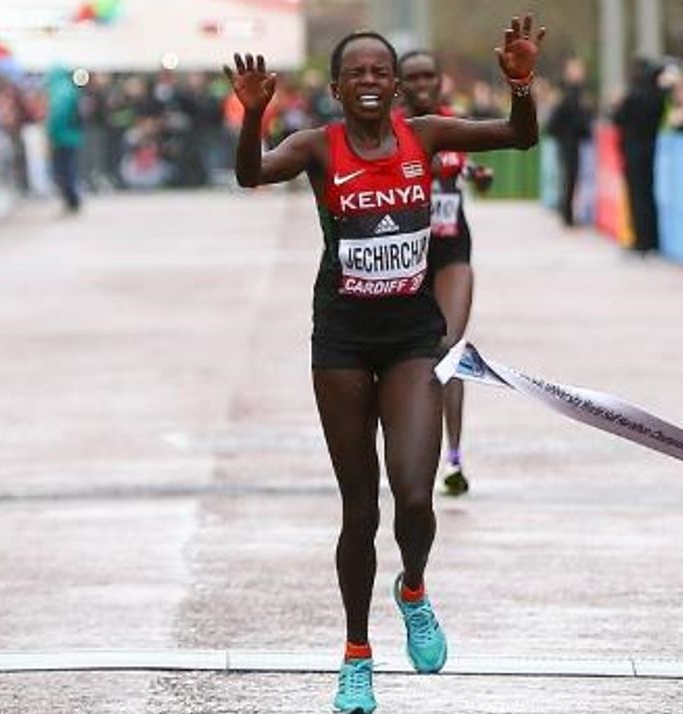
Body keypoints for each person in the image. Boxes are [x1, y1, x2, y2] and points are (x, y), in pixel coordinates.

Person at [226, 15, 543, 712]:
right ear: (337, 87)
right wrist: (254, 117)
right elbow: (251, 174)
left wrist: (520, 85)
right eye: (356, 73)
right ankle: (356, 655)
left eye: (380, 71)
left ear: (396, 86)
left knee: (416, 498)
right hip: (340, 339)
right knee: (358, 509)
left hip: (408, 338)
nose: (369, 80)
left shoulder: (423, 135)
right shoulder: (316, 146)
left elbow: (520, 137)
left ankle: (414, 588)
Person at [396, 49, 494, 498]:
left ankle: (453, 460)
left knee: (449, 348)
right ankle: (410, 451)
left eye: (427, 76)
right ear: (399, 84)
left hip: (451, 248)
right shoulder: (388, 130)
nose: (420, 85)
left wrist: (477, 173)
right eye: (411, 77)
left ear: (440, 81)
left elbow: (462, 165)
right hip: (404, 254)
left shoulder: (453, 123)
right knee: (406, 355)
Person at [614, 57, 665, 253]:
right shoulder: (658, 96)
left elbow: (618, 119)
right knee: (649, 194)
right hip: (650, 149)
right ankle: (652, 240)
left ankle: (640, 240)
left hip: (633, 150)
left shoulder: (633, 96)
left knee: (637, 196)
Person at [546, 57, 592, 227]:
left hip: (571, 140)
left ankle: (567, 213)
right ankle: (567, 215)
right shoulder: (568, 93)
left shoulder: (575, 92)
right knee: (569, 178)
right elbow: (566, 117)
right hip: (568, 141)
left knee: (571, 178)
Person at [46, 68, 84, 213]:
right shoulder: (68, 89)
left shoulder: (60, 91)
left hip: (63, 137)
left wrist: (51, 134)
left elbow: (58, 117)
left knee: (63, 171)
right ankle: (72, 200)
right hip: (71, 136)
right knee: (68, 170)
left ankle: (71, 200)